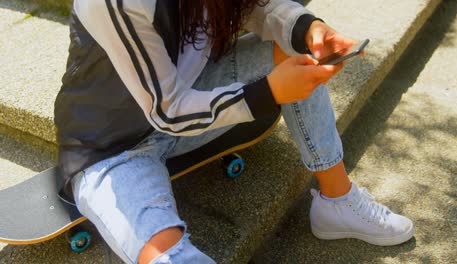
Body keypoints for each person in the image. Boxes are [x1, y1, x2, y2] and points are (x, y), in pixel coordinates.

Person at [54, 0, 414, 263]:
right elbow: (166, 110)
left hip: (189, 100)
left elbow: (251, 7)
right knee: (168, 255)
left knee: (294, 49)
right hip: (112, 147)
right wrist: (268, 91)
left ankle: (338, 201)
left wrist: (306, 27)